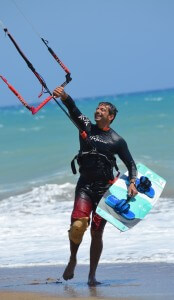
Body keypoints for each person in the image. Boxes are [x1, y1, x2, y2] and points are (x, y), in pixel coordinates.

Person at [53, 86, 138, 286]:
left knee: (97, 233)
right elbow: (72, 109)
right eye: (97, 108)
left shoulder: (117, 140)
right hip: (85, 186)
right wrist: (64, 95)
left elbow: (131, 164)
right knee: (78, 225)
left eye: (103, 109)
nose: (98, 111)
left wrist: (132, 182)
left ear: (111, 117)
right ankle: (73, 259)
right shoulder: (85, 127)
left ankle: (92, 276)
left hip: (105, 190)